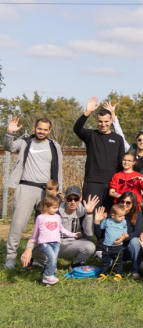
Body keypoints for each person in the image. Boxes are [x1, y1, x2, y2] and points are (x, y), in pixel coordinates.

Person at [3, 116, 64, 269]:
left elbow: (59, 169)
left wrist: (59, 191)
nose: (42, 131)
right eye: (39, 128)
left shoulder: (54, 146)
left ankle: (38, 258)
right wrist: (10, 133)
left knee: (44, 226)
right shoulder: (25, 142)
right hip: (26, 188)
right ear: (34, 128)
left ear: (49, 131)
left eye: (45, 129)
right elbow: (8, 147)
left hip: (47, 192)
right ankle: (10, 258)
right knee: (17, 225)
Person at [74, 97, 126, 211]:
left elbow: (122, 161)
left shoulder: (117, 139)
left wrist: (120, 182)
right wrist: (87, 112)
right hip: (93, 182)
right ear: (97, 122)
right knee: (90, 213)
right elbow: (77, 129)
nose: (103, 124)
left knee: (109, 215)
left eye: (106, 121)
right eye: (100, 121)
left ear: (111, 121)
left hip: (112, 183)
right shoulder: (91, 135)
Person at [27, 188, 98, 269]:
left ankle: (74, 265)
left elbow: (89, 233)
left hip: (72, 245)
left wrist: (89, 213)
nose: (73, 202)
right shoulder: (54, 211)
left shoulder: (83, 212)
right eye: (69, 199)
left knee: (90, 247)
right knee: (33, 248)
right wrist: (28, 249)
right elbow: (36, 235)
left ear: (80, 199)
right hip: (53, 244)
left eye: (76, 199)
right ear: (65, 199)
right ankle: (48, 263)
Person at [21, 196, 81, 285]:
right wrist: (32, 243)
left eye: (57, 207)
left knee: (54, 259)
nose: (57, 209)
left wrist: (73, 234)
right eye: (54, 207)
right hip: (44, 242)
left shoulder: (57, 217)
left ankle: (50, 276)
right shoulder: (40, 218)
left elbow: (62, 229)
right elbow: (35, 233)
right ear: (46, 206)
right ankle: (47, 275)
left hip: (56, 242)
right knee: (52, 258)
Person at [97, 203, 129, 280]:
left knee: (118, 261)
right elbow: (102, 227)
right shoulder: (108, 221)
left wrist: (125, 234)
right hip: (107, 246)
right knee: (105, 260)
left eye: (123, 215)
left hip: (118, 246)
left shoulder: (123, 222)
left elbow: (125, 228)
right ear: (113, 215)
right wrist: (103, 219)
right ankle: (103, 273)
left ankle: (118, 274)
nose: (122, 218)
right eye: (120, 216)